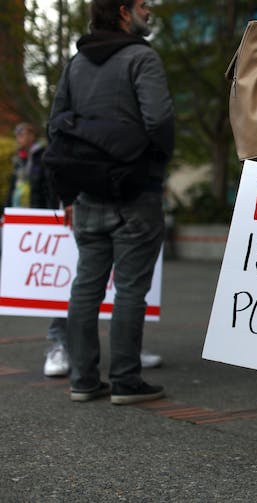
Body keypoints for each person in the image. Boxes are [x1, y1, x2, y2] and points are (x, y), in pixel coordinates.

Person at [48, 0, 174, 404]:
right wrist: (153, 165)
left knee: (86, 285)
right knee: (131, 289)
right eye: (142, 4)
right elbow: (159, 121)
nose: (149, 10)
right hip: (136, 193)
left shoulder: (76, 64)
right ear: (123, 11)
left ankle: (83, 379)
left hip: (87, 192)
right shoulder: (141, 58)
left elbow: (57, 125)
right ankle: (125, 380)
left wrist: (68, 189)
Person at [4, 123, 69, 376]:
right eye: (18, 133)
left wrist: (48, 216)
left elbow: (46, 189)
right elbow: (14, 187)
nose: (21, 137)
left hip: (42, 216)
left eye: (25, 133)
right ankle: (60, 341)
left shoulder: (42, 157)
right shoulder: (19, 159)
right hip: (24, 217)